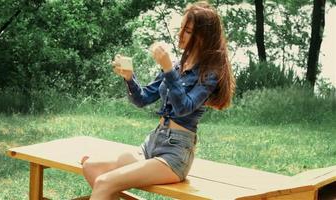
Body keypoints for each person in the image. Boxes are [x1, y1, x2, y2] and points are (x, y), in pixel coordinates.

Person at [81, 1, 235, 199]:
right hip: (152, 144)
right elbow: (142, 99)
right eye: (181, 28)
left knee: (104, 182)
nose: (180, 35)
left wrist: (168, 69)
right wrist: (129, 77)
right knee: (91, 167)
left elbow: (183, 107)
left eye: (187, 31)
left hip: (175, 153)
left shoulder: (210, 74)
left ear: (203, 37)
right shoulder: (178, 66)